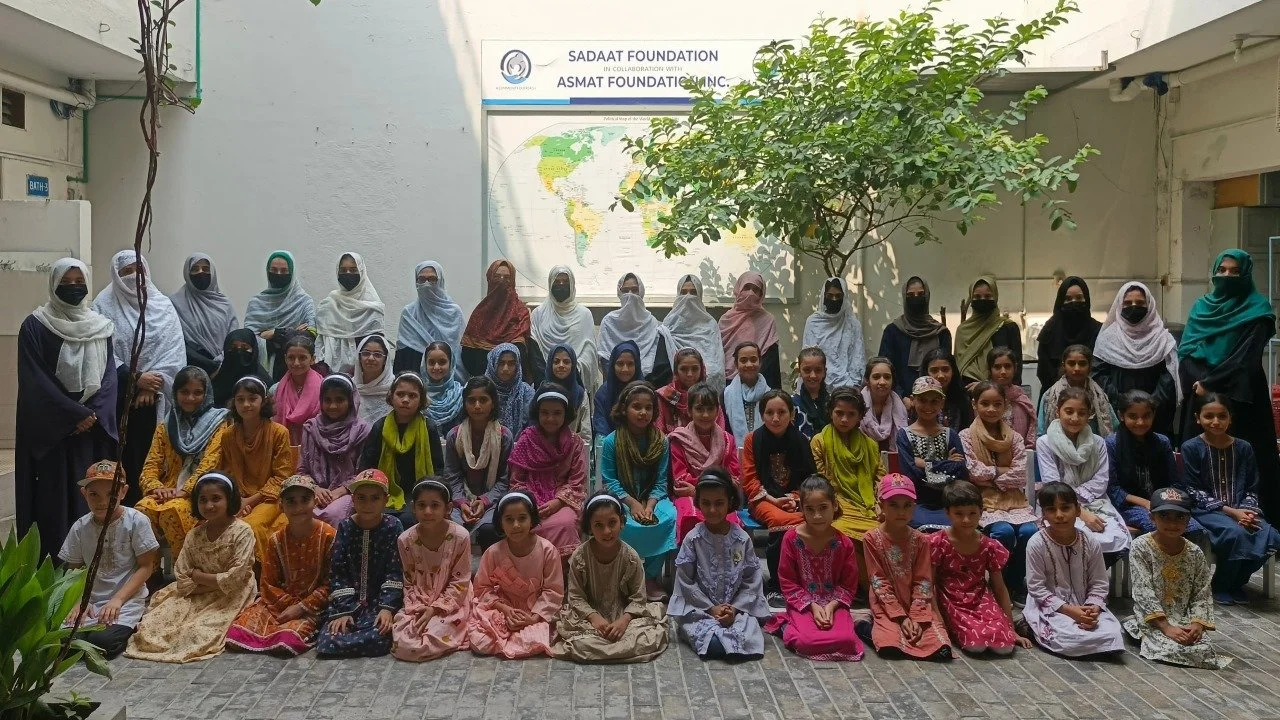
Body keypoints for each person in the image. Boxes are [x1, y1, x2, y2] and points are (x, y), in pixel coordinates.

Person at [17, 258, 118, 556]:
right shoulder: (35, 326)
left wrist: (93, 414)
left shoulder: (101, 326)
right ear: (53, 284)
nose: (73, 288)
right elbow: (35, 380)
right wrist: (73, 415)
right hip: (56, 436)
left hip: (92, 433)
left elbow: (109, 375)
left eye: (79, 282)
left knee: (95, 496)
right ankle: (59, 572)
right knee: (55, 503)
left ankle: (96, 569)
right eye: (66, 282)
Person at [1178, 249, 1280, 520]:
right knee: (1199, 460)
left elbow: (1245, 357)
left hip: (1241, 396)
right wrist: (1199, 385)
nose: (1226, 276)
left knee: (1249, 461)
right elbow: (1186, 351)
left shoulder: (1257, 309)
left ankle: (1255, 521)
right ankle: (1202, 519)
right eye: (1222, 270)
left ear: (1246, 274)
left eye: (1234, 271)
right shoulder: (1201, 308)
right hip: (1201, 397)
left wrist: (1210, 384)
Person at [124, 473, 257, 663]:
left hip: (230, 595)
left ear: (230, 499)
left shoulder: (242, 531)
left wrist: (199, 576)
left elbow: (235, 579)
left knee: (197, 632)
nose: (209, 505)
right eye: (203, 500)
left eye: (216, 499)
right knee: (154, 626)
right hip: (195, 593)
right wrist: (207, 582)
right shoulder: (195, 534)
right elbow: (182, 575)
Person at [92, 249, 186, 501]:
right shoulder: (103, 305)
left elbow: (174, 351)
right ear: (115, 275)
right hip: (118, 398)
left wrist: (150, 384)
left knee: (152, 458)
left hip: (155, 397)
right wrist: (134, 378)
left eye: (138, 270)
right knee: (123, 459)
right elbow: (100, 350)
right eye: (126, 272)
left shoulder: (162, 305)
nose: (133, 276)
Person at [1180, 393, 1280, 604]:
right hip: (1207, 511)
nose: (1215, 422)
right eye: (1209, 416)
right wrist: (1232, 513)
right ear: (1198, 418)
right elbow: (1192, 490)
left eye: (1221, 416)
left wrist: (1248, 512)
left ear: (1230, 418)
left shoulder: (1244, 447)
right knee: (1235, 532)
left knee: (1271, 535)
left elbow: (1252, 486)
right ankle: (1223, 584)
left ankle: (1236, 582)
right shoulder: (1191, 447)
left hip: (1243, 509)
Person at [553, 492, 670, 663]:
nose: (606, 531)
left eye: (612, 523)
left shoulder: (630, 557)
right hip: (589, 616)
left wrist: (624, 621)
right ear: (589, 527)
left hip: (623, 614)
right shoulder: (580, 556)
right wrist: (594, 618)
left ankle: (607, 648)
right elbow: (575, 596)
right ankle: (612, 649)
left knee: (646, 636)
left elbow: (639, 598)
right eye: (598, 525)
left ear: (622, 522)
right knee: (580, 643)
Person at [59, 460, 160, 658]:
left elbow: (146, 567)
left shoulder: (136, 521)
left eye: (111, 494)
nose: (102, 501)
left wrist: (118, 599)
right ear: (84, 494)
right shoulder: (80, 527)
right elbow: (74, 569)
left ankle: (128, 627)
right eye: (94, 494)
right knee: (64, 644)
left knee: (102, 643)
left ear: (123, 492)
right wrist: (79, 601)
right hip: (91, 599)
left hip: (124, 600)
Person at [225, 475, 336, 655]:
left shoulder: (329, 536)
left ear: (315, 502)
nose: (298, 507)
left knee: (288, 639)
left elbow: (332, 582)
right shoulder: (276, 540)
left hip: (314, 607)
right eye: (291, 501)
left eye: (305, 500)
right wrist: (287, 606)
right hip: (278, 604)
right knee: (237, 633)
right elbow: (268, 583)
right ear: (281, 506)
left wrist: (300, 608)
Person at [667, 470, 772, 661]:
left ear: (730, 503)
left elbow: (751, 581)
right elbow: (685, 582)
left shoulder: (741, 539)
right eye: (706, 503)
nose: (712, 510)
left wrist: (734, 609)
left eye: (719, 503)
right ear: (698, 503)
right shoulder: (693, 539)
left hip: (736, 610)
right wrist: (710, 608)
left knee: (744, 632)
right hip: (700, 610)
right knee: (714, 642)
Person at [1122, 486, 1230, 669]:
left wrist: (1197, 624)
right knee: (1169, 648)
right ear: (1152, 517)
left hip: (1183, 619)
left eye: (1179, 517)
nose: (1172, 524)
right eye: (1165, 516)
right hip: (1153, 619)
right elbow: (1143, 591)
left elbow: (1201, 592)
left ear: (1189, 520)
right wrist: (1166, 627)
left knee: (1202, 649)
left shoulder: (1194, 552)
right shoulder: (1141, 546)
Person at [762, 476, 864, 661]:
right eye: (810, 509)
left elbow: (848, 584)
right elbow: (787, 581)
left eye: (823, 508)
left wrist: (832, 606)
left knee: (847, 640)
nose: (817, 516)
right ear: (802, 509)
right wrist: (813, 606)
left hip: (835, 602)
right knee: (806, 642)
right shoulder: (791, 539)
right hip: (803, 604)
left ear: (834, 506)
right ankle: (787, 625)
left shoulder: (844, 543)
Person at [1023, 482, 1125, 657]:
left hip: (1084, 604)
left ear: (1078, 510)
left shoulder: (1090, 540)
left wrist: (1091, 609)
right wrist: (1070, 611)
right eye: (1051, 510)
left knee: (1113, 633)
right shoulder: (1036, 543)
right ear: (1044, 515)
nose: (1059, 515)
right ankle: (1033, 627)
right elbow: (1036, 588)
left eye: (1065, 508)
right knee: (1068, 637)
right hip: (1051, 607)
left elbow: (1099, 583)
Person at [856, 474, 952, 660]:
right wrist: (901, 617)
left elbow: (923, 581)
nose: (901, 512)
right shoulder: (871, 539)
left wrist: (915, 617)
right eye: (894, 505)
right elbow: (878, 581)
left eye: (907, 505)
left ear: (914, 507)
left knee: (940, 649)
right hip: (887, 605)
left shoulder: (921, 540)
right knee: (890, 647)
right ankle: (865, 626)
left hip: (918, 604)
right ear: (882, 505)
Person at [929, 481, 1028, 655]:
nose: (966, 520)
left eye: (972, 513)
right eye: (959, 514)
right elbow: (929, 584)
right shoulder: (937, 543)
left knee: (1004, 646)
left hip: (980, 598)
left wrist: (1010, 627)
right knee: (976, 645)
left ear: (981, 512)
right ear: (947, 513)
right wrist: (939, 624)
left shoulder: (989, 546)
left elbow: (999, 586)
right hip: (951, 599)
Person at [960, 382, 1038, 602]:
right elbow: (972, 472)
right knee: (1004, 532)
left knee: (1029, 532)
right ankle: (998, 583)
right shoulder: (966, 436)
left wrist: (991, 477)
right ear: (975, 404)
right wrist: (1001, 472)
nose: (991, 409)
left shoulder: (1014, 438)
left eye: (997, 404)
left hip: (1015, 500)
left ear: (1005, 406)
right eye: (985, 403)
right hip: (983, 501)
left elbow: (1020, 475)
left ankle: (1014, 582)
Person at [137, 366, 226, 555]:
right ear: (175, 393)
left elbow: (210, 463)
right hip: (166, 490)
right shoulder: (167, 425)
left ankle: (184, 573)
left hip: (202, 490)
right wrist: (156, 488)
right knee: (142, 509)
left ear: (207, 394)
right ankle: (149, 574)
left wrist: (183, 491)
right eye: (184, 392)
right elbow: (151, 464)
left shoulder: (219, 423)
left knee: (174, 511)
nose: (190, 398)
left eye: (197, 393)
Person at [600, 382, 678, 599]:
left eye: (648, 407)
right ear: (624, 409)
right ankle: (625, 576)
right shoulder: (611, 441)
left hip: (654, 498)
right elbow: (610, 480)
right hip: (621, 498)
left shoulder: (660, 441)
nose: (643, 413)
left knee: (668, 517)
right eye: (636, 407)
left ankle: (650, 577)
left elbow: (662, 481)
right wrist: (633, 503)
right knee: (618, 521)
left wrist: (650, 505)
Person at [316, 470, 404, 658]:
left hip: (378, 603)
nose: (368, 504)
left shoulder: (393, 526)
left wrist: (387, 608)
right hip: (349, 602)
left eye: (375, 498)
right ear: (353, 499)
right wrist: (343, 610)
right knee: (327, 640)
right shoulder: (346, 527)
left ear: (385, 500)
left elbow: (395, 571)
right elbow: (338, 571)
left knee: (380, 637)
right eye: (362, 498)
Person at [467, 492, 565, 659]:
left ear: (532, 519)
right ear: (500, 523)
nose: (516, 525)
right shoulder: (493, 553)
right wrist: (506, 610)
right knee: (480, 642)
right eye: (509, 520)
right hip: (503, 608)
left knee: (535, 642)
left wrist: (534, 618)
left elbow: (553, 591)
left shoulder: (547, 550)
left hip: (536, 611)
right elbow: (482, 588)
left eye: (522, 518)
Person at [1036, 387, 1130, 557]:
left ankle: (1094, 581)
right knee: (1076, 537)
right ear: (1058, 412)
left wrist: (1082, 504)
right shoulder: (1045, 443)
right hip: (1058, 504)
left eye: (1081, 413)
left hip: (1095, 501)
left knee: (1114, 537)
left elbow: (1101, 481)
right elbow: (1053, 484)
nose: (1075, 418)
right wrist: (1080, 512)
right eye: (1069, 411)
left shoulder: (1098, 442)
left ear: (1090, 415)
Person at [741, 390, 816, 603]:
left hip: (794, 500)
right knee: (779, 521)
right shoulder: (752, 440)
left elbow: (808, 478)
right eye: (770, 412)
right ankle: (776, 583)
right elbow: (749, 479)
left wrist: (794, 498)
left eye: (782, 412)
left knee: (819, 518)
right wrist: (774, 500)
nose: (776, 418)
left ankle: (803, 578)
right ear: (762, 415)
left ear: (792, 414)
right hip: (762, 500)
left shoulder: (801, 440)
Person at [391, 478, 474, 662]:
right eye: (422, 505)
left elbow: (460, 581)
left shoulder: (461, 537)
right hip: (419, 598)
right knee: (404, 640)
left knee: (436, 632)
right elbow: (410, 581)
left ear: (448, 508)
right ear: (413, 507)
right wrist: (420, 607)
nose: (427, 512)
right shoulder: (405, 540)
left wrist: (435, 609)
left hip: (453, 599)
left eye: (435, 505)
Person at [215, 376, 293, 562]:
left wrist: (250, 500)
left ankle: (258, 578)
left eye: (252, 398)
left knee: (250, 526)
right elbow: (225, 473)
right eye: (240, 399)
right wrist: (236, 500)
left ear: (263, 401)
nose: (246, 404)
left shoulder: (279, 432)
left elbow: (282, 477)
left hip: (270, 498)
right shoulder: (227, 435)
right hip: (237, 497)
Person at [1105, 390, 1200, 537]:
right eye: (1133, 416)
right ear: (1121, 416)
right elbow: (1114, 489)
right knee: (1159, 526)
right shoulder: (1111, 444)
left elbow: (1174, 482)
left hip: (1165, 502)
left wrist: (1168, 503)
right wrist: (1146, 503)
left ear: (1153, 415)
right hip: (1130, 506)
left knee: (1193, 529)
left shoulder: (1162, 442)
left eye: (1146, 416)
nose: (1140, 422)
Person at [509, 383, 588, 559]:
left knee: (566, 524)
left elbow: (577, 483)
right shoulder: (526, 439)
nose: (550, 418)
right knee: (525, 523)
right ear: (537, 413)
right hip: (529, 501)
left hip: (564, 501)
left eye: (557, 413)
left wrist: (557, 503)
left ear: (566, 414)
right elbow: (516, 481)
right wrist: (531, 502)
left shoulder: (575, 443)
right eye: (545, 413)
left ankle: (562, 579)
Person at [1092, 281, 1180, 437]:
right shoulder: (1107, 338)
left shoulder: (1163, 338)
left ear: (1150, 305)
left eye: (1140, 303)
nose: (1133, 306)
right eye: (1127, 303)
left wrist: (1150, 405)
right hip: (1117, 413)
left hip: (1155, 416)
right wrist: (1121, 403)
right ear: (1119, 305)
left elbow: (1169, 375)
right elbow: (1099, 375)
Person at [358, 372, 445, 522]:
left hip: (419, 492)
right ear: (391, 397)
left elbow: (437, 469)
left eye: (412, 396)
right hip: (383, 492)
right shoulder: (380, 427)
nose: (405, 400)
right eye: (400, 394)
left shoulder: (429, 427)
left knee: (408, 519)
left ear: (421, 400)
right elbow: (367, 467)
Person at [668, 382, 742, 543]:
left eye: (710, 409)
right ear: (689, 411)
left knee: (731, 521)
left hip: (719, 496)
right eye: (700, 409)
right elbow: (680, 480)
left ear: (717, 411)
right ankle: (691, 565)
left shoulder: (727, 440)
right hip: (688, 497)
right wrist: (717, 483)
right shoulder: (679, 440)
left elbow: (734, 478)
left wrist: (697, 489)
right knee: (691, 517)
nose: (705, 415)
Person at [443, 376, 511, 548]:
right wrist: (462, 503)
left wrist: (484, 501)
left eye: (483, 400)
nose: (477, 406)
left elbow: (505, 480)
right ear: (464, 404)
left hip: (493, 501)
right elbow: (452, 477)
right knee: (454, 529)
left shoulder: (504, 436)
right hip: (460, 502)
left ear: (493, 403)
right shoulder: (454, 436)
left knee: (489, 529)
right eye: (471, 401)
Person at [812, 387, 885, 544]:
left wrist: (880, 503)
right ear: (830, 412)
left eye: (851, 414)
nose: (844, 419)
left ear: (860, 416)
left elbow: (880, 477)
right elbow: (820, 482)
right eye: (839, 413)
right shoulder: (819, 441)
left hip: (868, 506)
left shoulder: (870, 445)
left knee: (879, 535)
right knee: (841, 534)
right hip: (835, 504)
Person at [896, 376, 968, 532]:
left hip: (949, 502)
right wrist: (947, 465)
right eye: (922, 400)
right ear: (913, 400)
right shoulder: (904, 435)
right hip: (917, 502)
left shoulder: (951, 435)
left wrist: (924, 464)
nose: (928, 406)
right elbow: (911, 475)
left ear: (942, 402)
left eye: (934, 401)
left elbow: (961, 471)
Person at [298, 374, 371, 526]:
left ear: (350, 401)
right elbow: (302, 470)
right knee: (300, 511)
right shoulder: (311, 428)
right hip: (314, 491)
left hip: (349, 492)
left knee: (332, 515)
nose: (332, 406)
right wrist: (315, 488)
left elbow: (365, 473)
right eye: (327, 400)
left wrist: (338, 492)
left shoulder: (362, 431)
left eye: (339, 400)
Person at [242, 251, 317, 382]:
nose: (278, 274)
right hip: (262, 368)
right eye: (274, 270)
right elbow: (248, 339)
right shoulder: (256, 303)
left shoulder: (304, 301)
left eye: (284, 271)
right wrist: (290, 332)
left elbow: (310, 334)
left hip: (297, 367)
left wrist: (269, 334)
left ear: (292, 273)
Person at [597, 272, 675, 388]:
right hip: (616, 388)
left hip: (648, 388)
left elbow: (660, 364)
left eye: (634, 290)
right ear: (619, 293)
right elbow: (605, 358)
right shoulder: (609, 322)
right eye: (625, 290)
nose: (630, 295)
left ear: (641, 292)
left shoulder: (652, 323)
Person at [879, 276, 951, 397]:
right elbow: (886, 369)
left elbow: (945, 371)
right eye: (910, 295)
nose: (916, 298)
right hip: (898, 401)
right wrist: (901, 398)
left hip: (934, 401)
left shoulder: (941, 333)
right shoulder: (892, 331)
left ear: (927, 296)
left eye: (921, 294)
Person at [315, 252, 386, 374]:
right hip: (328, 374)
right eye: (343, 270)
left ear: (362, 272)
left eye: (353, 270)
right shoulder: (328, 305)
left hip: (364, 374)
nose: (348, 274)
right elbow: (320, 344)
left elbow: (375, 344)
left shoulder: (373, 307)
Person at [530, 266, 599, 392]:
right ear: (550, 284)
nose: (561, 285)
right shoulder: (538, 314)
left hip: (576, 383)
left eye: (565, 282)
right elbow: (535, 350)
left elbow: (590, 350)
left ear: (572, 284)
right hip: (544, 383)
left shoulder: (584, 314)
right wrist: (547, 375)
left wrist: (572, 370)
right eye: (557, 281)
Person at [394, 261, 465, 380]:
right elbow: (403, 356)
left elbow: (460, 352)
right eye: (421, 279)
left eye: (432, 279)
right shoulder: (409, 313)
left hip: (452, 381)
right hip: (416, 383)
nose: (426, 284)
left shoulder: (454, 312)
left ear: (440, 281)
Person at [461, 259, 531, 378]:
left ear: (513, 281)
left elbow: (523, 357)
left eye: (507, 277)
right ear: (490, 279)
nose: (502, 281)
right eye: (497, 277)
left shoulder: (521, 313)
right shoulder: (480, 313)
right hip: (484, 385)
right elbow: (468, 356)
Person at [170, 253, 238, 374]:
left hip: (224, 367)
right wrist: (208, 364)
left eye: (206, 269)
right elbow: (175, 340)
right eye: (195, 269)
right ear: (187, 273)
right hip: (191, 368)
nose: (201, 273)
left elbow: (233, 337)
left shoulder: (224, 304)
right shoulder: (174, 303)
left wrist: (221, 361)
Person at [1036, 277, 1102, 398]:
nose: (1073, 302)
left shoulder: (1098, 330)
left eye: (1079, 298)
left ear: (1086, 300)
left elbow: (1100, 369)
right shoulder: (1049, 330)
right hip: (1054, 396)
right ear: (1060, 301)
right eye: (1067, 299)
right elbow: (1044, 370)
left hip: (1091, 396)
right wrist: (1063, 391)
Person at [1036, 344, 1117, 437]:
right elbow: (1041, 432)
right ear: (1064, 365)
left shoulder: (1100, 395)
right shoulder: (1049, 396)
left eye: (1082, 364)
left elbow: (1114, 428)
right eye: (1071, 363)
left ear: (1090, 366)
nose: (1077, 368)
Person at [718, 271, 781, 389]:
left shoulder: (767, 320)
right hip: (728, 383)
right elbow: (718, 354)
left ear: (761, 294)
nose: (751, 293)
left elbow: (771, 360)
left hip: (758, 383)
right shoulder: (725, 320)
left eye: (756, 289)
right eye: (746, 287)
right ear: (738, 289)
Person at [954, 275, 1021, 385]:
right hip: (967, 393)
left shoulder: (1008, 327)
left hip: (1002, 395)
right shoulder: (962, 330)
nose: (983, 300)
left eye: (988, 296)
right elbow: (958, 368)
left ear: (995, 297)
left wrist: (985, 387)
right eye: (977, 297)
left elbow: (1016, 369)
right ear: (971, 299)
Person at [664, 274, 726, 391]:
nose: (688, 297)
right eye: (683, 292)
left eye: (693, 292)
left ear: (700, 295)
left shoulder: (710, 323)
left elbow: (716, 363)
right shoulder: (668, 323)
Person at [802, 277, 866, 388]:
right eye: (830, 296)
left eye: (838, 296)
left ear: (844, 297)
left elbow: (858, 358)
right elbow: (808, 356)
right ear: (824, 297)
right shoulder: (813, 322)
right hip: (817, 383)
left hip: (848, 386)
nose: (834, 299)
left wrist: (853, 385)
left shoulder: (852, 324)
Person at [271, 333, 323, 445]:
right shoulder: (276, 389)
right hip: (285, 448)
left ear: (313, 359)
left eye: (302, 358)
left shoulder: (324, 388)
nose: (296, 363)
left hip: (317, 448)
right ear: (285, 359)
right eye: (291, 357)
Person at [657, 348, 722, 435]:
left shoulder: (710, 395)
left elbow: (719, 431)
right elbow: (658, 431)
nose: (689, 374)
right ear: (676, 371)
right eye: (683, 369)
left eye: (695, 369)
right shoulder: (664, 396)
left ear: (701, 369)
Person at [987, 347, 1035, 448]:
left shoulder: (1022, 399)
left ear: (1015, 368)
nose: (1003, 371)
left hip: (1021, 453)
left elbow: (1031, 432)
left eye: (1008, 366)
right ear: (989, 369)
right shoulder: (982, 399)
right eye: (997, 367)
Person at [724, 341, 771, 446]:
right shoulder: (725, 395)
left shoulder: (770, 395)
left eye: (753, 360)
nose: (749, 365)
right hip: (734, 455)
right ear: (736, 364)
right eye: (743, 360)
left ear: (760, 362)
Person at [544, 343, 592, 445]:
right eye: (556, 362)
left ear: (573, 365)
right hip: (543, 450)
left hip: (572, 453)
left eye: (566, 362)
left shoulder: (580, 395)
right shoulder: (542, 392)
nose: (561, 365)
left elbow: (586, 436)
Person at [210, 329, 272, 407]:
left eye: (245, 348)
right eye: (233, 348)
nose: (239, 352)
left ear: (254, 350)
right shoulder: (217, 380)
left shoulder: (264, 382)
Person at [593, 341, 641, 438]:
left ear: (637, 365)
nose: (625, 369)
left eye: (630, 364)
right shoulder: (603, 393)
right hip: (610, 445)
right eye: (620, 364)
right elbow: (601, 427)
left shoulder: (645, 392)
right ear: (612, 365)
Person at [487, 343, 535, 438]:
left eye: (511, 364)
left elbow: (532, 428)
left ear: (518, 366)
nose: (505, 369)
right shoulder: (482, 389)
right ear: (493, 363)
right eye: (501, 363)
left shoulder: (527, 393)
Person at [861, 357, 908, 451]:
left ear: (892, 381)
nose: (882, 382)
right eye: (876, 377)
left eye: (887, 377)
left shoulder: (900, 406)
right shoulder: (856, 404)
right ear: (867, 380)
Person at [921, 348, 974, 430]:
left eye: (945, 369)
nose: (941, 375)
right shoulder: (918, 400)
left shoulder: (964, 399)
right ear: (926, 372)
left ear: (953, 371)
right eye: (934, 370)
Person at [423, 341, 464, 437]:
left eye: (442, 362)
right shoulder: (417, 393)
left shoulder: (460, 394)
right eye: (431, 362)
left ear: (451, 363)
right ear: (425, 364)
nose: (436, 367)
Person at [353, 334, 394, 425]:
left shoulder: (395, 388)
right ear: (359, 357)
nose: (371, 358)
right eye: (366, 353)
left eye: (378, 355)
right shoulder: (349, 386)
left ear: (385, 360)